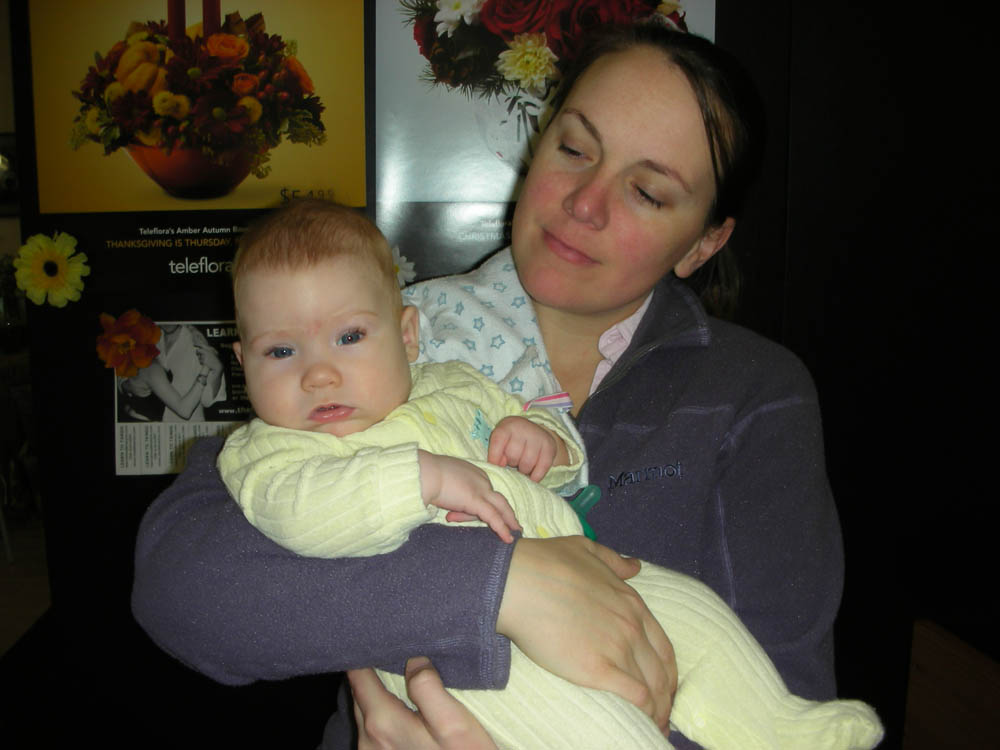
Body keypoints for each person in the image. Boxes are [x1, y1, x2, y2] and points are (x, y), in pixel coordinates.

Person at [132, 24, 846, 750]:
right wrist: (501, 586)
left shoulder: (752, 393)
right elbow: (180, 580)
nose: (586, 204)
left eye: (647, 191)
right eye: (574, 149)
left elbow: (781, 683)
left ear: (704, 243)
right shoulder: (371, 336)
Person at [215, 198, 881, 750]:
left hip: (579, 569)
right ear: (243, 361)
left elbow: (549, 440)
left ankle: (775, 726)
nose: (319, 372)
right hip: (456, 656)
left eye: (350, 337)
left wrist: (541, 442)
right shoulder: (272, 451)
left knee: (697, 614)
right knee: (602, 731)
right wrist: (419, 478)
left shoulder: (454, 384)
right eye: (280, 350)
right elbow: (292, 508)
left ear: (408, 335)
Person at [157, 323, 226, 422]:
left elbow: (207, 400)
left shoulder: (196, 340)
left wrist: (217, 369)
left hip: (189, 427)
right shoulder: (149, 338)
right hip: (154, 428)